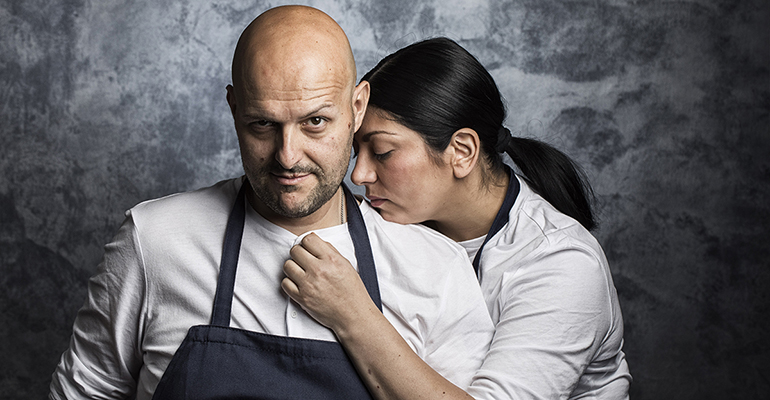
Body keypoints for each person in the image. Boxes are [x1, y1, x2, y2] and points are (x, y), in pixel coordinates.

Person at [49, 10, 494, 399]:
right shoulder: (153, 241)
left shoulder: (435, 268)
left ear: (357, 108)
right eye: (262, 124)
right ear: (233, 107)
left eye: (315, 122)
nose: (287, 156)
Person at [282, 37, 632, 399]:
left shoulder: (563, 265)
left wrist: (351, 313)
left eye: (383, 152)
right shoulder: (396, 219)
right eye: (357, 152)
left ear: (461, 151)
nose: (359, 175)